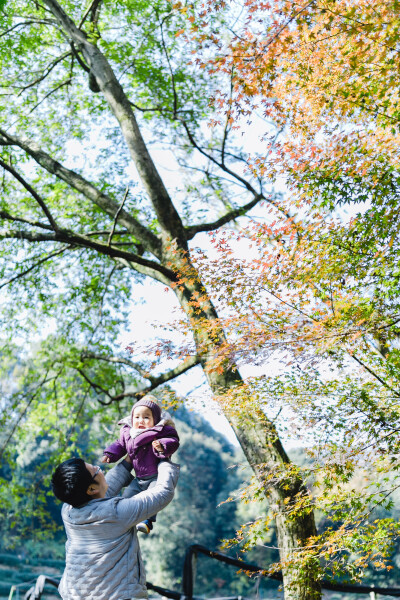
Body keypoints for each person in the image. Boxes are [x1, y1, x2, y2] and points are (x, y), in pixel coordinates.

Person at [51, 454, 179, 600]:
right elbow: (163, 493)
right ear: (91, 488)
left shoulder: (68, 510)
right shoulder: (116, 513)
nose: (101, 471)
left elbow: (102, 492)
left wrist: (131, 457)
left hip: (74, 594)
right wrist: (165, 459)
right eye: (97, 470)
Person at [102, 395, 180, 534]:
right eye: (137, 417)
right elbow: (120, 445)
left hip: (155, 476)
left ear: (155, 419)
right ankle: (122, 522)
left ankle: (147, 521)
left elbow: (173, 440)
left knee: (152, 496)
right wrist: (110, 454)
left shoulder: (160, 431)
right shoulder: (128, 432)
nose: (140, 421)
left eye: (146, 417)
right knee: (127, 497)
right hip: (139, 478)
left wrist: (162, 445)